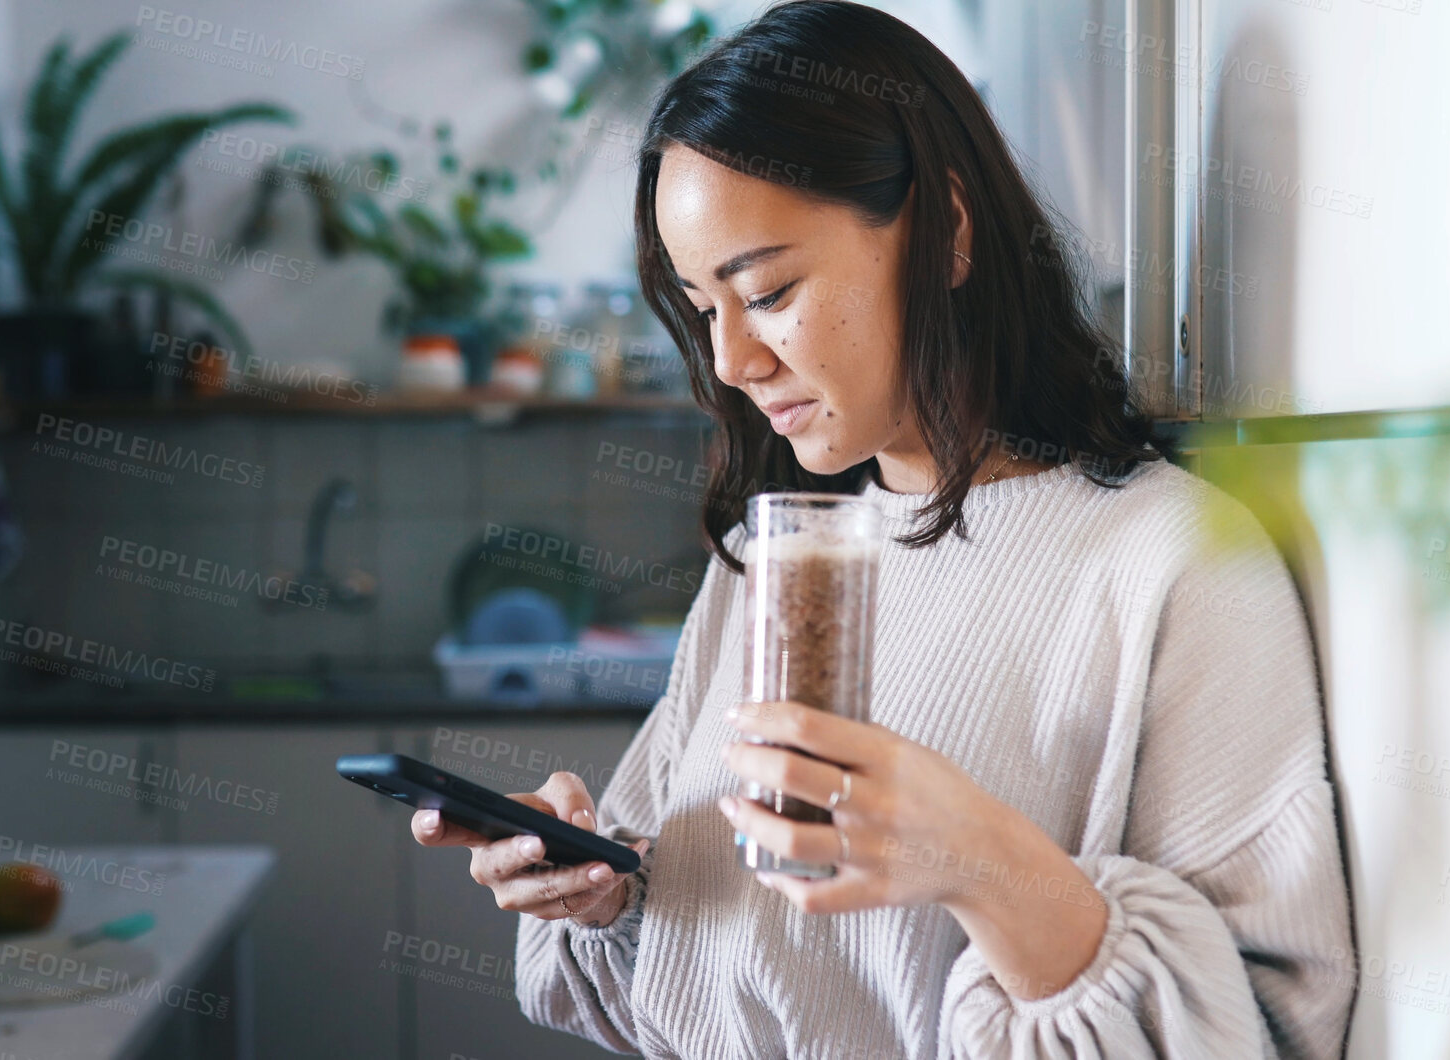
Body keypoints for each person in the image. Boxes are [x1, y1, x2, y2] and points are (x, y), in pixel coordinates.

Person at [410, 2, 1356, 1055]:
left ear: (947, 230)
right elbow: (703, 986)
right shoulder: (779, 558)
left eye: (765, 290)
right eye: (699, 307)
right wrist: (606, 891)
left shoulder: (1169, 563)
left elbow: (1266, 1028)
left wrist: (980, 858)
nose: (730, 361)